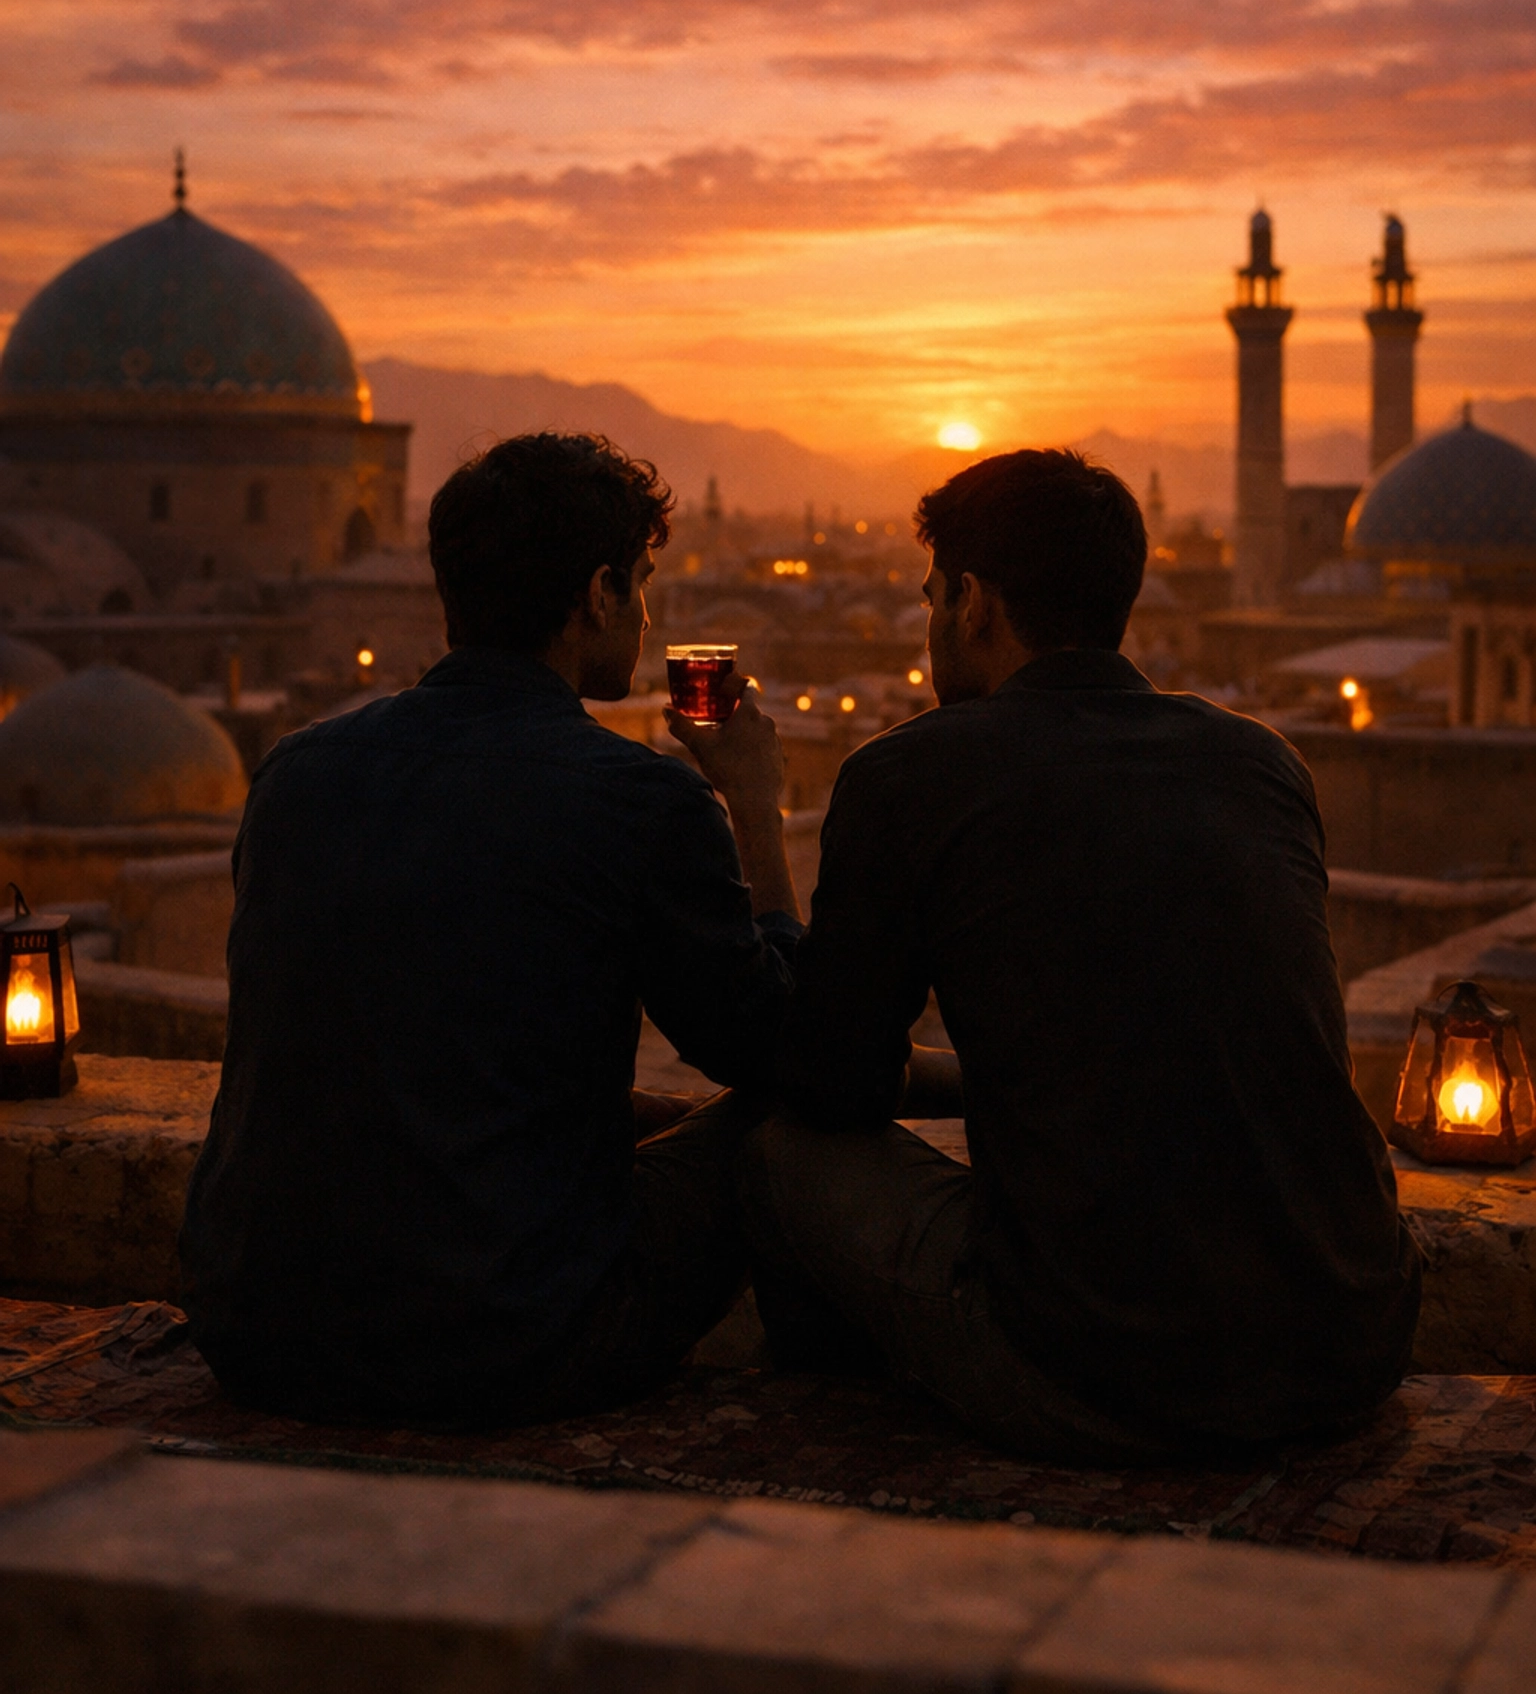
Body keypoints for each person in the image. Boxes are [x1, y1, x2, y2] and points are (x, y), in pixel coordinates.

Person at [740, 449, 1420, 1464]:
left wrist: (755, 819)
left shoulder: (912, 773)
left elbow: (829, 1087)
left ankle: (825, 1448)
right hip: (1352, 1342)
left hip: (1102, 1371)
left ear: (973, 603)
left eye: (932, 596)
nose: (929, 624)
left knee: (781, 1151)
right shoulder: (1259, 761)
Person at [180, 432, 801, 1427]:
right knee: (780, 1135)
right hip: (504, 1341)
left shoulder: (297, 772)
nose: (645, 615)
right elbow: (778, 1051)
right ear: (598, 593)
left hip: (255, 1331)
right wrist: (757, 809)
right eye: (640, 585)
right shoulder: (637, 799)